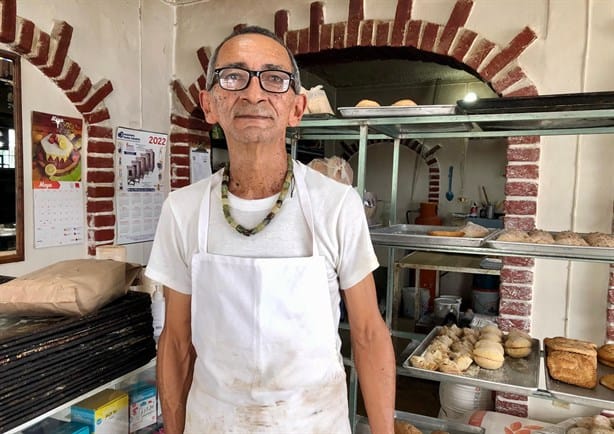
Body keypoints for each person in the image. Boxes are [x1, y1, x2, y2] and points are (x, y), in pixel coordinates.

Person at [146, 25, 395, 434]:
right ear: (209, 104)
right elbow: (175, 342)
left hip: (314, 423)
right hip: (214, 424)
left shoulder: (336, 204)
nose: (254, 94)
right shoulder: (183, 209)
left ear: (297, 108)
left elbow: (368, 333)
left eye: (274, 79)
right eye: (233, 76)